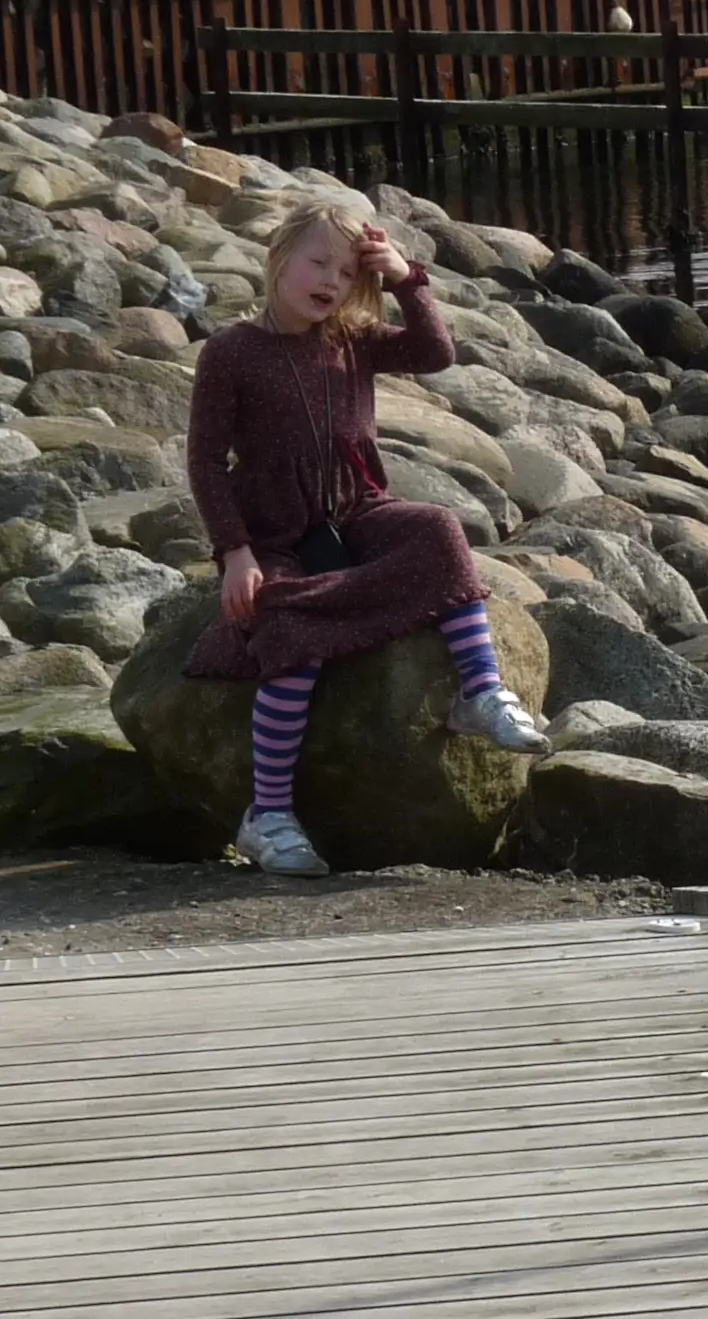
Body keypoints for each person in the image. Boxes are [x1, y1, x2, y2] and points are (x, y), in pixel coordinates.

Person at [184, 202, 548, 877]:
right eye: (318, 263)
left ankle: (481, 692)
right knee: (286, 627)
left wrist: (407, 280)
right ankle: (268, 816)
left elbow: (434, 352)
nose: (331, 279)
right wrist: (234, 552)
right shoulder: (232, 351)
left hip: (359, 513)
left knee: (440, 531)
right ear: (278, 260)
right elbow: (205, 462)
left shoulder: (352, 337)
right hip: (275, 534)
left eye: (348, 271)